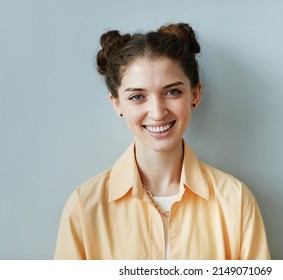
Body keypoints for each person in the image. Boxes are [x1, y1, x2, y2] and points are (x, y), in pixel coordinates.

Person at [54, 23, 270, 260]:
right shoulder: (84, 206)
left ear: (195, 94)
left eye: (172, 92)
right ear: (117, 103)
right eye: (137, 97)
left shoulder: (235, 200)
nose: (157, 112)